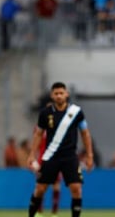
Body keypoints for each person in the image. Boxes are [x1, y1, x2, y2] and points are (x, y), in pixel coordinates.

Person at [27, 82, 94, 217]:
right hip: (51, 156)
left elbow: (85, 133)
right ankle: (32, 215)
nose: (59, 96)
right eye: (56, 93)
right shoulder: (45, 113)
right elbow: (38, 134)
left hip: (70, 156)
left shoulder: (76, 112)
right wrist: (31, 155)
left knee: (76, 188)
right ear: (52, 95)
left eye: (61, 93)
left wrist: (89, 155)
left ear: (66, 94)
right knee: (40, 189)